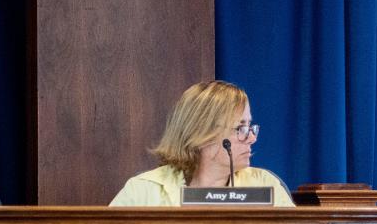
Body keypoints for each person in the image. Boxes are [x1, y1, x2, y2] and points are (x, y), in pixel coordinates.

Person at [109, 80, 295, 206]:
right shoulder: (143, 191)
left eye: (250, 126)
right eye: (240, 128)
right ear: (203, 133)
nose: (252, 138)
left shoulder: (265, 186)